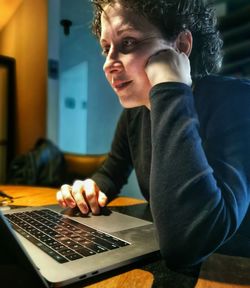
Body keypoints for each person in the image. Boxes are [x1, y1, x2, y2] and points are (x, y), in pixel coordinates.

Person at [56, 0, 250, 273]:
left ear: (181, 46)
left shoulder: (238, 102)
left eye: (127, 44)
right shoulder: (135, 115)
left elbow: (188, 244)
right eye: (105, 48)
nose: (108, 64)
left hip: (231, 268)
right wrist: (93, 188)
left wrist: (170, 86)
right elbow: (112, 172)